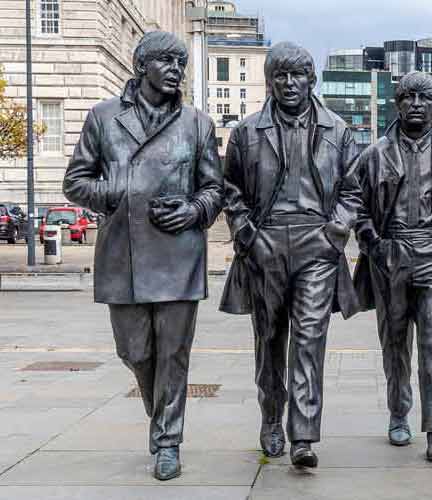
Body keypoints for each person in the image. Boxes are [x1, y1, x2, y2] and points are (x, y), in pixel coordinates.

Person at [63, 31, 224, 480]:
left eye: (181, 64)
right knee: (135, 351)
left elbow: (215, 189)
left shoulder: (197, 123)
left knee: (174, 354)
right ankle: (161, 419)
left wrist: (194, 209)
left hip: (179, 253)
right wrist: (116, 190)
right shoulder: (104, 117)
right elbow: (75, 181)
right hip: (124, 256)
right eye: (167, 62)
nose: (176, 70)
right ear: (142, 67)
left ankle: (168, 441)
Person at [219, 42, 362, 468]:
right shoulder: (246, 132)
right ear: (270, 81)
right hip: (265, 243)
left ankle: (303, 434)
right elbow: (232, 192)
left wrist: (334, 233)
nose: (288, 83)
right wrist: (249, 236)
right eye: (279, 75)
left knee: (309, 338)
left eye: (297, 75)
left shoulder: (338, 130)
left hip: (316, 244)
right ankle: (270, 415)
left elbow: (353, 191)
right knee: (269, 338)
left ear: (311, 78)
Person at [353, 71, 432, 463]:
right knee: (395, 344)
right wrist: (375, 245)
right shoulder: (374, 155)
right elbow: (356, 206)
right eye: (408, 98)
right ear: (397, 103)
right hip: (393, 255)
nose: (416, 105)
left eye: (424, 98)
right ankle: (398, 413)